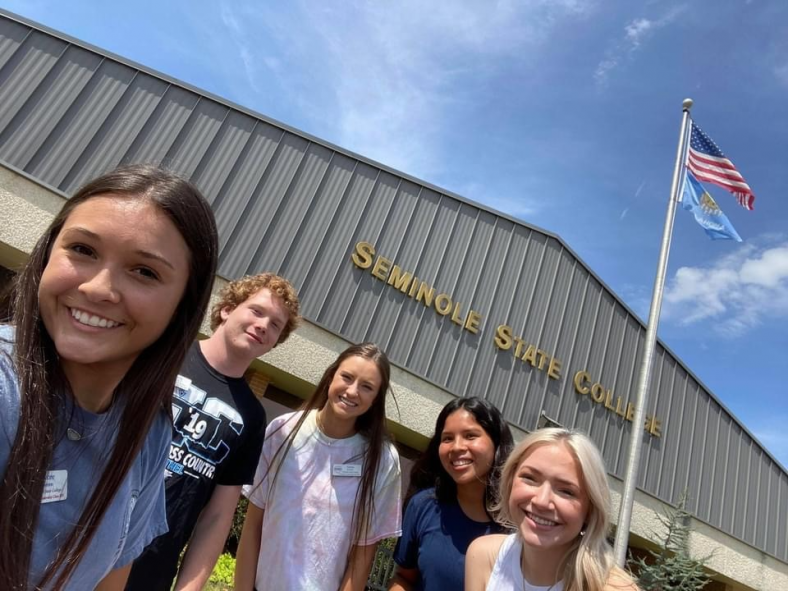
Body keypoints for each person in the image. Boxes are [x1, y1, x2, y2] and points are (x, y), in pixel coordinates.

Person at [0, 164, 218, 590]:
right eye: (82, 249)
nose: (99, 288)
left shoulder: (149, 432)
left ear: (183, 307)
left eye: (145, 272)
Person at [126, 274, 301, 590]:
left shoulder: (252, 416)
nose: (263, 325)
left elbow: (217, 517)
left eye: (276, 325)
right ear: (227, 309)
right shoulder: (163, 355)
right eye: (257, 311)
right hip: (86, 545)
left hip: (151, 573)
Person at [235, 343, 402, 591]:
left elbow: (363, 556)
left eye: (367, 387)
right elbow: (253, 526)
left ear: (376, 399)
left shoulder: (383, 460)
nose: (353, 391)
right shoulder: (283, 431)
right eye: (347, 377)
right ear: (331, 375)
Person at [465, 428, 640, 591]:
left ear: (590, 510)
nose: (541, 501)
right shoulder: (483, 556)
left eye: (566, 491)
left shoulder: (615, 588)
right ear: (510, 482)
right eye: (530, 478)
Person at [390, 397, 514, 591]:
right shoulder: (424, 506)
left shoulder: (519, 527)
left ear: (496, 444)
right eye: (447, 438)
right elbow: (404, 578)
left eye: (470, 436)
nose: (457, 447)